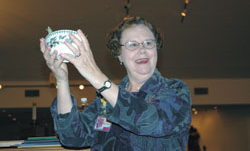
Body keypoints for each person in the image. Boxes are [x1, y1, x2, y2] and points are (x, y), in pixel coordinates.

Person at [40, 16, 192, 151]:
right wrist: (62, 80)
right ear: (119, 55)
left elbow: (153, 122)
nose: (143, 50)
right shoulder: (105, 100)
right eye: (133, 44)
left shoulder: (175, 90)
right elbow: (72, 137)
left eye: (148, 43)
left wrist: (94, 74)